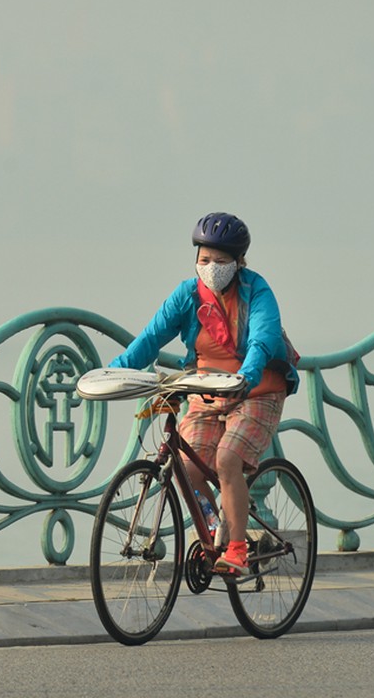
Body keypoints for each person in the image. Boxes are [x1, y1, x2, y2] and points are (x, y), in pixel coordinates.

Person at [109, 212, 299, 575]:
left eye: (221, 261)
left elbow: (264, 338)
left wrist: (245, 377)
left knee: (227, 459)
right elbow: (150, 339)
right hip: (206, 390)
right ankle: (217, 530)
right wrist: (115, 370)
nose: (211, 267)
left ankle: (240, 550)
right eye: (204, 259)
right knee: (186, 466)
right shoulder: (187, 295)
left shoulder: (257, 291)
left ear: (239, 263)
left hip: (258, 390)